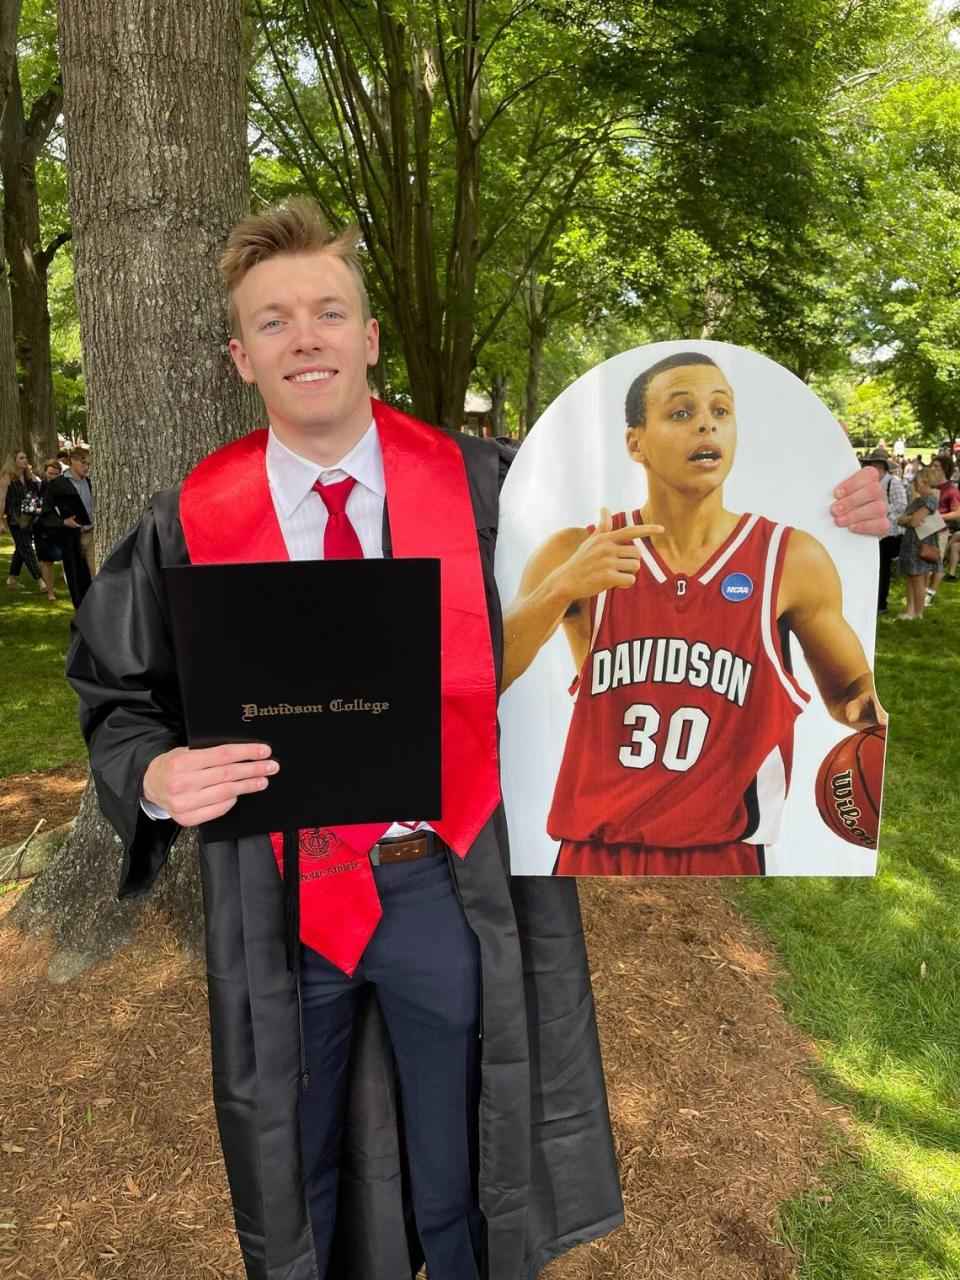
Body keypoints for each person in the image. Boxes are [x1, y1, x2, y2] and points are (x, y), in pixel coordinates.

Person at [66, 200, 623, 1280]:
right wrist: (154, 771)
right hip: (282, 899)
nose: (305, 336)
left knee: (466, 1165)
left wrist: (832, 515)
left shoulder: (479, 485)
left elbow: (649, 574)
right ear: (241, 357)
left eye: (329, 311)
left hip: (442, 881)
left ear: (369, 337)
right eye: (274, 322)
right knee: (298, 1170)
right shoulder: (190, 518)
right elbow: (115, 683)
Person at [502, 351, 887, 877]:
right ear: (635, 441)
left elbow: (850, 696)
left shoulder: (791, 557)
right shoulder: (577, 550)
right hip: (593, 848)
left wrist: (870, 715)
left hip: (725, 855)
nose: (706, 422)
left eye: (721, 411)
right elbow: (486, 676)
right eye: (681, 412)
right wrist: (560, 588)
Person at [40, 445, 95, 607]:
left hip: (93, 536)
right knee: (76, 580)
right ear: (72, 461)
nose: (87, 467)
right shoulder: (57, 485)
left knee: (97, 576)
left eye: (89, 464)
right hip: (71, 540)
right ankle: (82, 616)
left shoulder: (92, 482)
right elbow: (46, 513)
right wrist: (63, 522)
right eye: (84, 463)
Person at [862, 449, 906, 614]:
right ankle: (872, 601)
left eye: (878, 465)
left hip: (889, 534)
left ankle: (881, 604)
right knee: (873, 568)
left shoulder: (892, 483)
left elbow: (902, 506)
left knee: (883, 569)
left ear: (884, 467)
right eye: (873, 464)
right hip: (872, 533)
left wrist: (884, 513)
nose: (875, 467)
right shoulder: (869, 484)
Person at [897, 466, 942, 620]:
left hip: (921, 543)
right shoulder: (917, 500)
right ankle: (909, 611)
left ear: (925, 481)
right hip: (910, 542)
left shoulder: (930, 499)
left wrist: (909, 519)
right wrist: (910, 520)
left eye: (916, 480)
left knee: (918, 579)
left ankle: (918, 613)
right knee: (910, 577)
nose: (914, 483)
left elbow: (914, 520)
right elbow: (901, 520)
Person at [0, 450, 45, 595]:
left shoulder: (29, 476)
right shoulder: (7, 477)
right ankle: (40, 580)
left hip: (29, 517)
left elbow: (36, 494)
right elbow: (1, 500)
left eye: (26, 457)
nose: (25, 460)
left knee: (21, 548)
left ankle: (11, 578)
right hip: (15, 519)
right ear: (14, 461)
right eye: (21, 458)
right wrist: (1, 521)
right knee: (27, 548)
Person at [923, 455, 960, 605]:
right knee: (923, 563)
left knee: (935, 563)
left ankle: (930, 594)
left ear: (944, 469)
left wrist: (939, 516)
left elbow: (957, 513)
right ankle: (922, 593)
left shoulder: (951, 490)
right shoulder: (930, 487)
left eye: (936, 466)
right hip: (925, 528)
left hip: (939, 530)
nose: (933, 468)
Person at [34, 458, 66, 600]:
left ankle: (73, 592)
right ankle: (50, 592)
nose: (52, 476)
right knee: (48, 562)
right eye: (50, 473)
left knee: (67, 560)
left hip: (61, 527)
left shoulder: (65, 487)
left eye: (56, 474)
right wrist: (44, 510)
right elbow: (29, 507)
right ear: (45, 472)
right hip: (43, 529)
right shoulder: (38, 487)